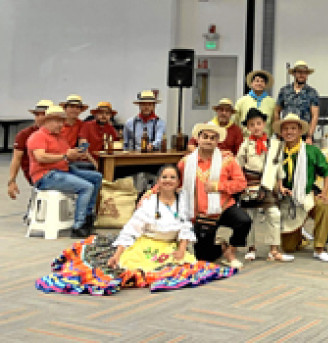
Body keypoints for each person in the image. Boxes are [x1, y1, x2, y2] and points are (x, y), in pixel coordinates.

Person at [35, 165, 237, 296]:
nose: (167, 180)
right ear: (158, 181)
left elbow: (185, 225)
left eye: (172, 177)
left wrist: (182, 248)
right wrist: (117, 253)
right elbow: (132, 229)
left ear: (178, 182)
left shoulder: (183, 199)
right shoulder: (149, 202)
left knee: (185, 266)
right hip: (147, 243)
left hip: (171, 246)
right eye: (164, 177)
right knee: (129, 267)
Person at [178, 123, 250, 268]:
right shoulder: (186, 162)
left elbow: (241, 184)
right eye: (205, 137)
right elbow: (171, 182)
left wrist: (218, 186)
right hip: (199, 215)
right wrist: (150, 193)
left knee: (244, 221)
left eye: (213, 138)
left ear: (217, 141)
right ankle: (221, 246)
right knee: (205, 257)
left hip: (223, 209)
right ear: (198, 139)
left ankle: (231, 251)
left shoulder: (227, 160)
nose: (209, 140)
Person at [26, 105, 102, 237]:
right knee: (86, 187)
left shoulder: (60, 137)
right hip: (46, 175)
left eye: (62, 121)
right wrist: (65, 156)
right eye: (57, 121)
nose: (61, 124)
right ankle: (79, 225)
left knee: (96, 177)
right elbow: (41, 157)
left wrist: (77, 155)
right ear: (47, 122)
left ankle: (88, 217)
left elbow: (66, 155)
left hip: (63, 170)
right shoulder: (38, 136)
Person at [274, 113, 328, 262]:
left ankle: (319, 248)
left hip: (306, 195)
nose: (289, 132)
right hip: (286, 200)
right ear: (281, 132)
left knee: (323, 205)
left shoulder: (311, 151)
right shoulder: (276, 151)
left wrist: (324, 193)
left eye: (293, 128)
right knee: (288, 248)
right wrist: (279, 188)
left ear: (300, 131)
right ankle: (299, 236)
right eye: (286, 129)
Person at [236, 108, 294, 262]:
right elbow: (238, 166)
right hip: (250, 183)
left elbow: (278, 167)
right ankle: (251, 248)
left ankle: (273, 250)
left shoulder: (274, 145)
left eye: (259, 123)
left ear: (264, 125)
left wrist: (280, 186)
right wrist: (239, 184)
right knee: (250, 217)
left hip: (267, 184)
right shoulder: (245, 145)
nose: (256, 127)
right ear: (248, 127)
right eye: (252, 124)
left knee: (274, 214)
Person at [8, 100, 52, 199]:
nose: (40, 118)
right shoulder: (24, 134)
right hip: (36, 173)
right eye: (37, 115)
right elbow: (16, 158)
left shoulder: (57, 132)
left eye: (43, 114)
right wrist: (12, 181)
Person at [275, 61, 320, 142]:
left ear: (307, 75)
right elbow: (276, 112)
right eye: (299, 72)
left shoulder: (312, 92)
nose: (301, 75)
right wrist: (278, 133)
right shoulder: (284, 91)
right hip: (286, 134)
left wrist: (309, 136)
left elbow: (315, 116)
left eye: (304, 73)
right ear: (294, 74)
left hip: (304, 135)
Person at [235, 70, 277, 134]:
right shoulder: (241, 101)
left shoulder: (272, 102)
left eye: (262, 81)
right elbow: (235, 121)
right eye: (257, 81)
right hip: (246, 139)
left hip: (266, 140)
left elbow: (274, 123)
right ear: (251, 83)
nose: (259, 83)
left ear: (265, 85)